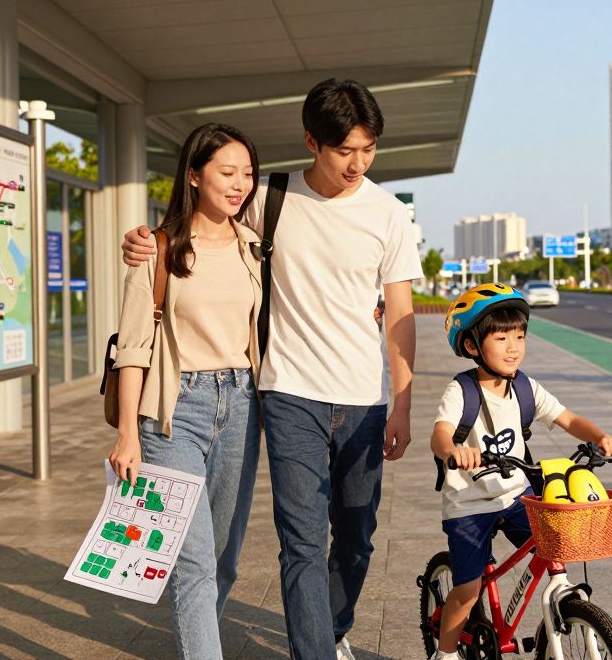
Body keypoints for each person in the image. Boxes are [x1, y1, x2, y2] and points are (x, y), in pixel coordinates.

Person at [121, 79, 421, 660]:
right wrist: (141, 241)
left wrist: (403, 402)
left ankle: (331, 630)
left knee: (356, 540)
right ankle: (314, 653)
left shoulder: (388, 212)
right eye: (343, 151)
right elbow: (200, 220)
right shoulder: (268, 197)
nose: (356, 163)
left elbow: (401, 313)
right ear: (312, 141)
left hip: (362, 397)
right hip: (286, 394)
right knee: (301, 543)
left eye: (368, 150)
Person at [107, 123, 264, 660]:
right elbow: (132, 348)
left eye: (247, 173)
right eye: (227, 172)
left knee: (224, 559)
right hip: (175, 412)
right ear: (194, 176)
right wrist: (129, 434)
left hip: (243, 405)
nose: (239, 184)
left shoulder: (254, 249)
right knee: (193, 561)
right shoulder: (156, 249)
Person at [429, 283, 612, 660]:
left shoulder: (526, 388)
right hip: (469, 504)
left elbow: (567, 418)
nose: (514, 346)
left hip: (516, 496)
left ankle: (563, 612)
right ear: (472, 346)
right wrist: (454, 451)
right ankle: (446, 652)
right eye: (501, 338)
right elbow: (439, 433)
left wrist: (600, 437)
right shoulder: (462, 391)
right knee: (468, 590)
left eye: (519, 336)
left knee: (556, 551)